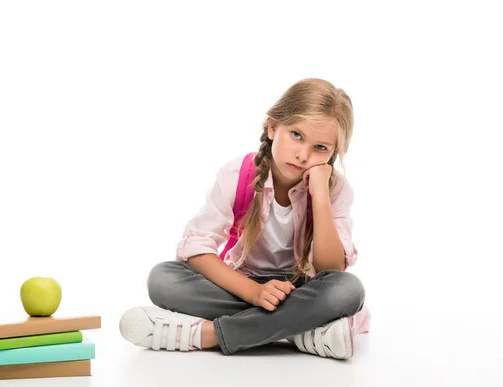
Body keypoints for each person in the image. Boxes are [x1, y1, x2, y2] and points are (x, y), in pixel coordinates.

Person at [119, 78, 366, 359]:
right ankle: (301, 330)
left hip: (302, 289)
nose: (303, 154)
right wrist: (253, 292)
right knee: (163, 279)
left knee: (347, 291)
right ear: (273, 127)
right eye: (296, 135)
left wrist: (319, 195)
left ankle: (208, 335)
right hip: (240, 284)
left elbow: (331, 270)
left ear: (333, 153)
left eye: (320, 148)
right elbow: (197, 250)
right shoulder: (237, 175)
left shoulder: (336, 189)